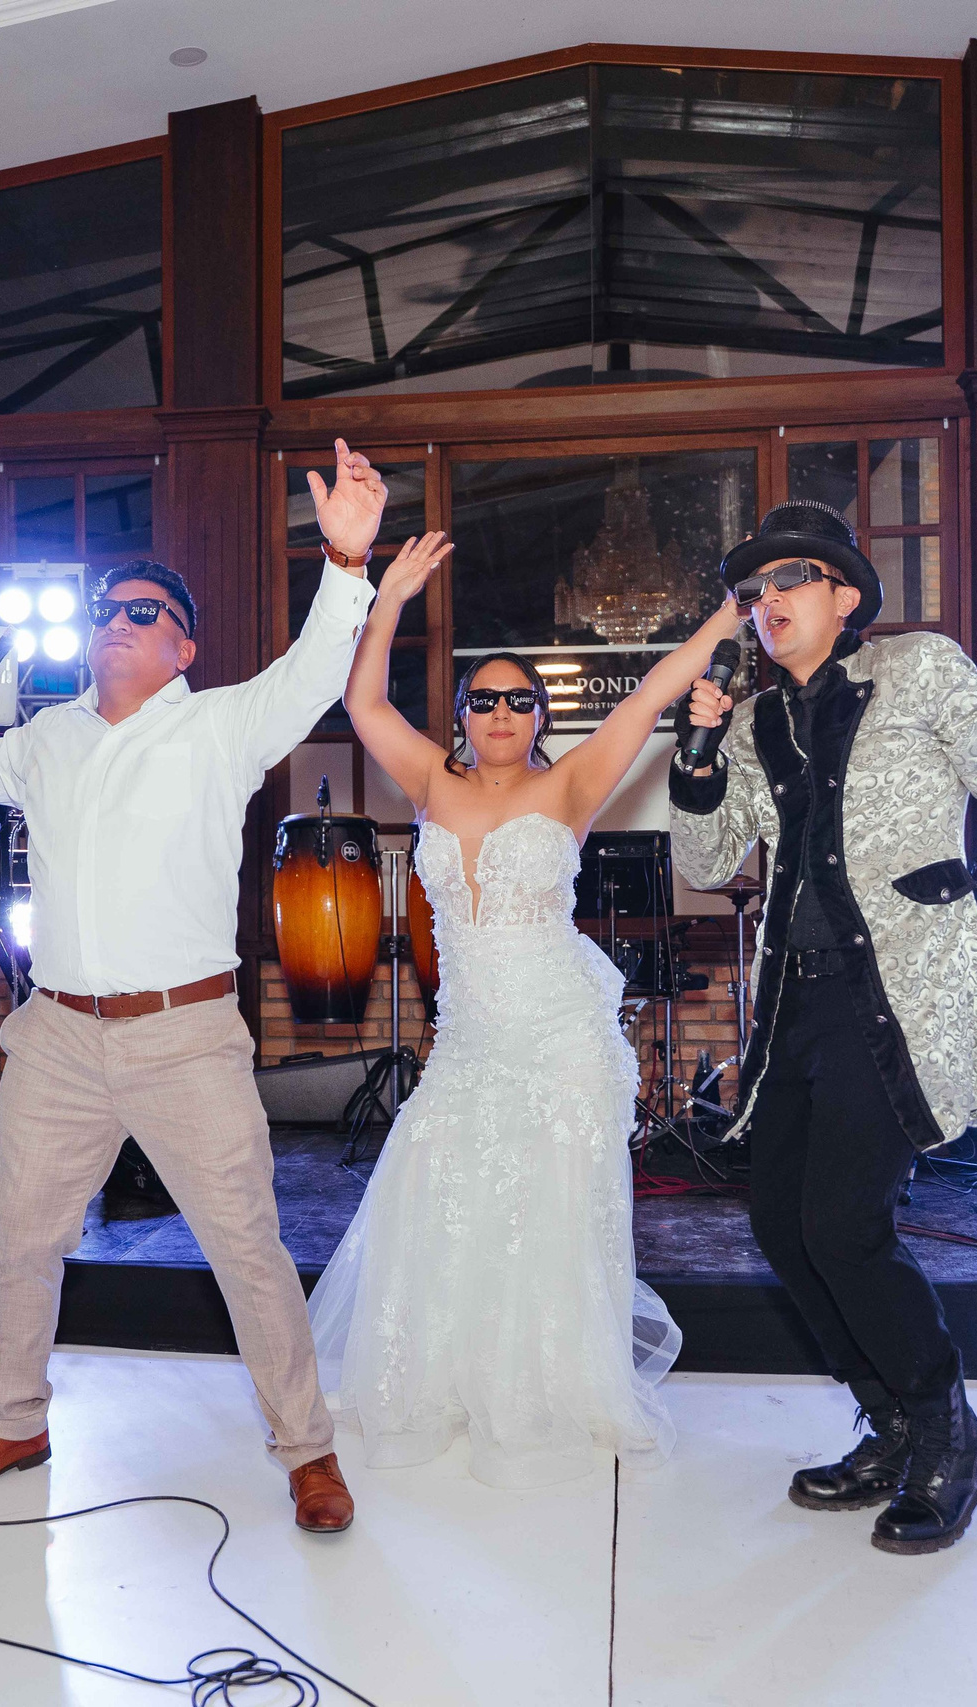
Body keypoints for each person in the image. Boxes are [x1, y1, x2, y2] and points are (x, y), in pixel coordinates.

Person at [0, 440, 389, 1533]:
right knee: (18, 1242)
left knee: (246, 1251)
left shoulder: (222, 727)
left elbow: (314, 674)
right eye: (105, 604)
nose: (113, 616)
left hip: (184, 1039)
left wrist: (344, 562)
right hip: (60, 1038)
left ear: (181, 647)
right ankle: (12, 1421)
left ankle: (307, 1449)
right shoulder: (50, 738)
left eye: (140, 608)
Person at [671, 500, 977, 1555]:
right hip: (796, 1005)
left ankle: (951, 1439)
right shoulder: (759, 719)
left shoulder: (922, 671)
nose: (766, 603)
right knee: (780, 1223)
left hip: (901, 997)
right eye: (754, 590)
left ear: (846, 595)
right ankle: (895, 1424)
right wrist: (701, 752)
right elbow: (708, 860)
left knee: (844, 1225)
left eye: (789, 580)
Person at [305, 532, 746, 1488]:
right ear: (462, 715)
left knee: (545, 1204)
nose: (501, 710)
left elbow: (658, 688)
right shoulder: (428, 780)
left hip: (557, 1033)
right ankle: (453, 1379)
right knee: (443, 1189)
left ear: (539, 714)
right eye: (484, 697)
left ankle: (551, 1384)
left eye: (519, 697)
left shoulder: (572, 783)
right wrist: (390, 597)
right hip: (468, 1035)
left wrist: (732, 612)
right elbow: (362, 700)